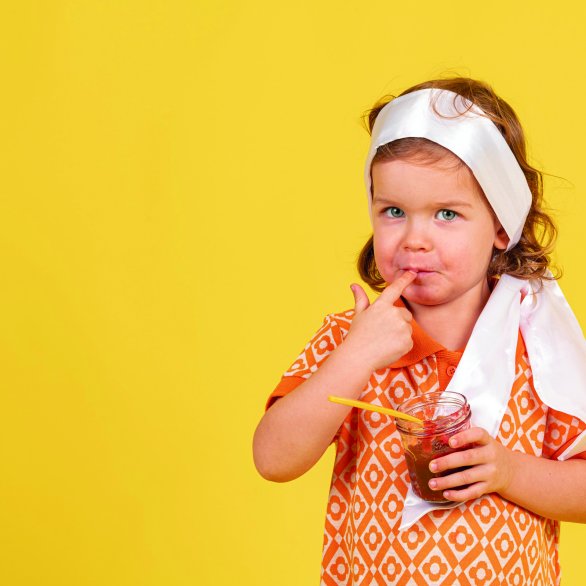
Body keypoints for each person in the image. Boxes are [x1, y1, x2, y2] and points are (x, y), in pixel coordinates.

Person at [252, 77, 586, 585]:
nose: (414, 239)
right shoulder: (352, 336)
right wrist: (354, 357)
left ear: (501, 225)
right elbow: (273, 458)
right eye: (393, 211)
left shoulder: (539, 344)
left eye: (446, 214)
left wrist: (508, 471)